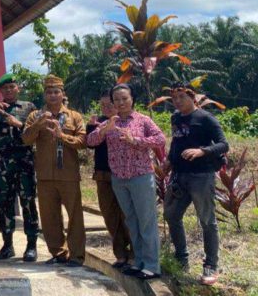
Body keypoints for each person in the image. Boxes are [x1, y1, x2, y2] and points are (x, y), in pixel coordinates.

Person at [87, 84, 165, 280]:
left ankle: (152, 265)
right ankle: (138, 262)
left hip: (140, 177)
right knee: (131, 220)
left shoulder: (142, 120)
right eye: (117, 99)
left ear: (132, 99)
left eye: (124, 98)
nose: (120, 103)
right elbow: (91, 141)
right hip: (119, 179)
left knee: (146, 221)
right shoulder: (110, 122)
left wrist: (136, 140)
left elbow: (160, 139)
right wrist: (104, 130)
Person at [163, 83, 229, 286]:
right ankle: (181, 257)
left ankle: (211, 265)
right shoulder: (176, 117)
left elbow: (224, 144)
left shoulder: (206, 118)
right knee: (171, 215)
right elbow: (176, 142)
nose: (178, 101)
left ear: (193, 97)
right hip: (179, 176)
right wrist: (169, 161)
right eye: (174, 98)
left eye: (182, 97)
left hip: (201, 176)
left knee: (207, 221)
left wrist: (202, 151)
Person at [23, 75, 86, 266]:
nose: (52, 95)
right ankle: (58, 253)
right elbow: (26, 139)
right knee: (49, 217)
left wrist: (62, 136)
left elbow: (82, 142)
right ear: (44, 95)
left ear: (62, 94)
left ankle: (76, 256)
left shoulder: (74, 116)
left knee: (75, 216)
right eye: (49, 92)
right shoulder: (35, 116)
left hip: (68, 175)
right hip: (45, 176)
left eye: (56, 92)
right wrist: (38, 125)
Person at [0, 73, 39, 261]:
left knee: (28, 202)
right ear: (0, 90)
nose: (8, 90)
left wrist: (18, 124)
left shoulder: (29, 107)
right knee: (4, 204)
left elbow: (36, 132)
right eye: (5, 88)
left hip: (24, 162)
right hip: (2, 164)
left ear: (18, 88)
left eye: (12, 87)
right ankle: (7, 245)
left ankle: (31, 246)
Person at [86, 92, 133, 269]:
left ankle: (134, 253)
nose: (106, 108)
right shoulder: (97, 122)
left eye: (109, 104)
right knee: (109, 215)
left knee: (127, 214)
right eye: (102, 105)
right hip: (103, 175)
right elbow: (90, 143)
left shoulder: (127, 121)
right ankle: (120, 253)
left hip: (124, 174)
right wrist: (95, 127)